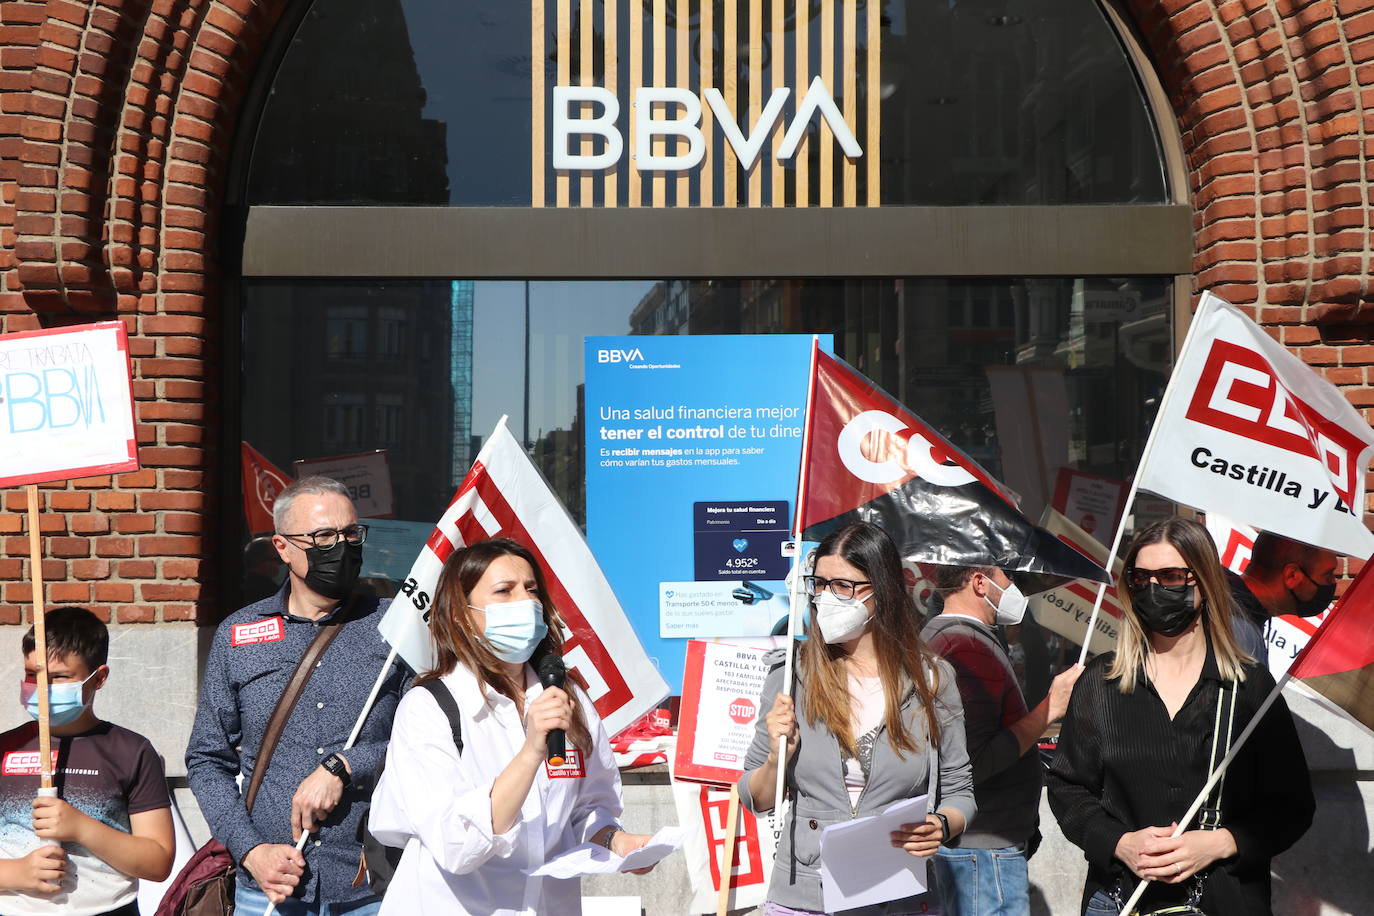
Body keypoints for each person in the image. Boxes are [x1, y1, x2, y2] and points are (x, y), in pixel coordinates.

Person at [367, 537, 657, 914]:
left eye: (531, 589)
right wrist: (532, 751)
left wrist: (617, 841)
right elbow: (456, 846)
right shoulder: (427, 708)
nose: (525, 601)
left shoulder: (568, 698)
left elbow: (586, 809)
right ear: (460, 614)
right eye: (504, 591)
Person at [1047, 517, 1315, 915]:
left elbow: (1292, 806)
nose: (1154, 589)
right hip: (1121, 899)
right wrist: (1119, 842)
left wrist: (1222, 842)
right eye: (1141, 578)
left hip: (1223, 900)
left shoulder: (1248, 686)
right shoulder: (1101, 682)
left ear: (1203, 584)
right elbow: (1067, 788)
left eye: (1171, 576)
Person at [187, 476, 408, 914]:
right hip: (269, 888)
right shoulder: (238, 634)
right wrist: (249, 850)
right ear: (283, 547)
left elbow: (429, 741)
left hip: (374, 886)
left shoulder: (398, 627)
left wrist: (345, 765)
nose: (341, 547)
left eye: (350, 534)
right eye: (324, 536)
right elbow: (207, 758)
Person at [738, 522, 976, 916]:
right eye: (820, 584)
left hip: (899, 894)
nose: (827, 597)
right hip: (805, 895)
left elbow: (959, 790)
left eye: (844, 586)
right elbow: (754, 797)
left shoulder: (932, 679)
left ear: (881, 591)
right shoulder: (790, 674)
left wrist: (942, 825)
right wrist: (777, 758)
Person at [921, 565, 1083, 915]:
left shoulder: (953, 638)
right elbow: (973, 761)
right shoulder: (966, 647)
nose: (1016, 588)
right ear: (980, 582)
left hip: (979, 846)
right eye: (1009, 577)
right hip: (983, 847)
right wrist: (1049, 709)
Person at [0, 606, 174, 916]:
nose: (42, 689)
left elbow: (158, 861)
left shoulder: (132, 751)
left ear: (99, 678)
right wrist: (16, 872)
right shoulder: (5, 749)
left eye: (60, 677)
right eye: (32, 674)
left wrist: (82, 828)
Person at [1225, 530, 1338, 666]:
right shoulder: (1237, 632)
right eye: (1328, 575)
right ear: (1292, 576)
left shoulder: (1220, 599)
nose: (1333, 582)